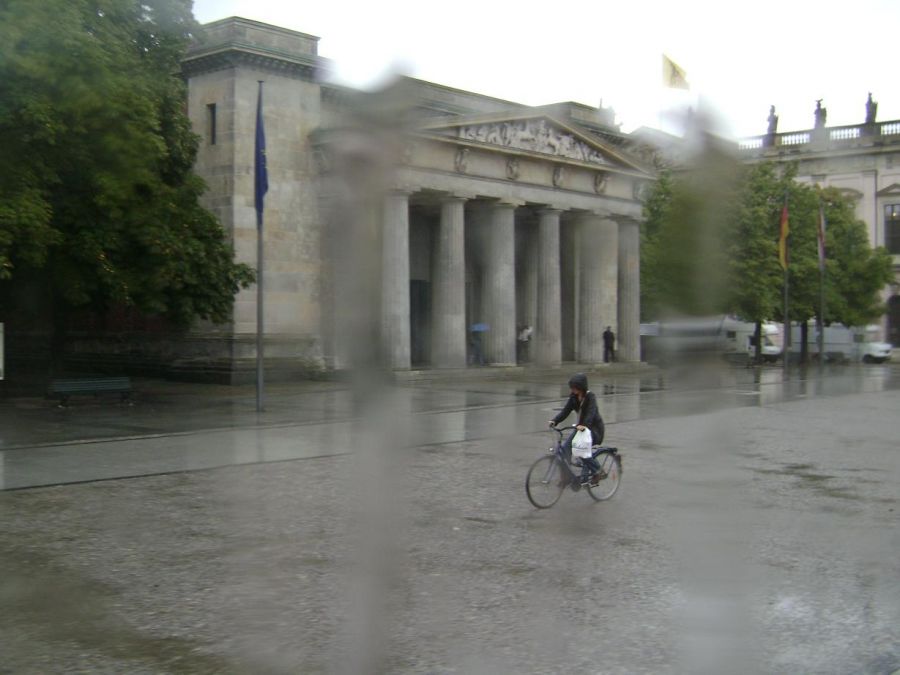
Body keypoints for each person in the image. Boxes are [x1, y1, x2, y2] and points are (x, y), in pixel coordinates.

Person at [548, 373, 606, 485]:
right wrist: (555, 421)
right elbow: (566, 411)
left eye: (576, 387)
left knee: (580, 449)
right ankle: (566, 477)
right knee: (565, 450)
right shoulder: (573, 397)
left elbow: (591, 413)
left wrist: (584, 425)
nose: (573, 389)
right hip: (580, 430)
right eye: (572, 387)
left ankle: (598, 471)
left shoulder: (590, 397)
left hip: (594, 430)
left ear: (582, 387)